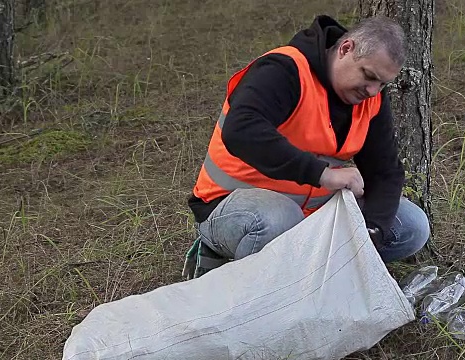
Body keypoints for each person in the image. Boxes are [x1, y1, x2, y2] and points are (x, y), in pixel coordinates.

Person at [182, 15, 431, 279]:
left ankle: (314, 279)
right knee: (279, 220)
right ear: (346, 48)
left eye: (382, 84)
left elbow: (385, 172)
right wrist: (324, 174)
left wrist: (372, 232)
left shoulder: (370, 99)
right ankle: (233, 276)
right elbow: (241, 130)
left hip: (308, 212)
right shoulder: (284, 69)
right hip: (231, 204)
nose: (372, 90)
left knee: (412, 227)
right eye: (369, 76)